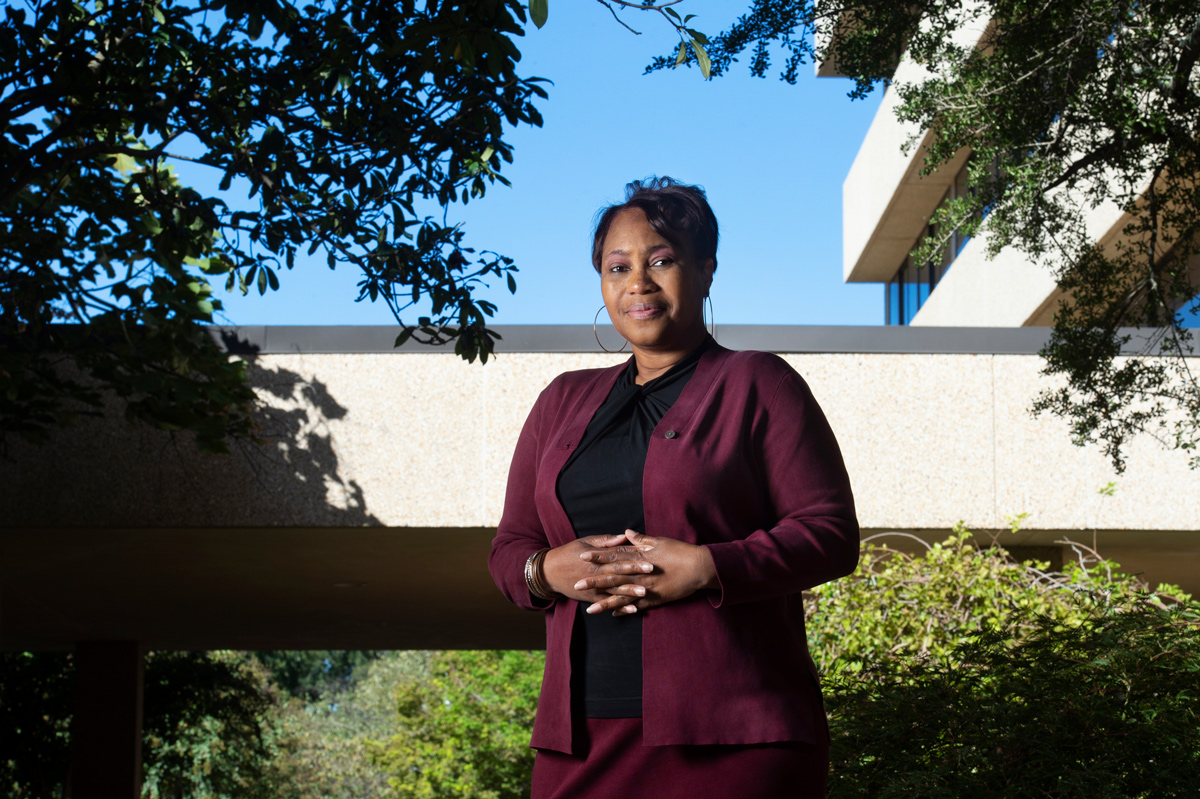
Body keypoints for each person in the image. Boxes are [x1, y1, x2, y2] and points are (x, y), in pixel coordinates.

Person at [488, 177, 859, 799]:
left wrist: (708, 566)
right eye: (618, 266)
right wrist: (544, 570)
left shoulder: (758, 383)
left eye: (662, 260)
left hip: (737, 739)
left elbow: (829, 535)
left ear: (706, 270)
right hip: (579, 741)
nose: (639, 281)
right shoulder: (560, 402)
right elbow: (510, 548)